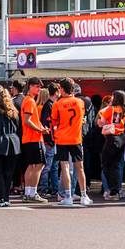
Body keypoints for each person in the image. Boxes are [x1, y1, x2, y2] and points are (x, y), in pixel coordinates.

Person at [51, 78, 90, 206]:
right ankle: (84, 195)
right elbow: (81, 119)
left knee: (65, 167)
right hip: (76, 138)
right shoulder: (80, 102)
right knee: (80, 167)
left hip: (62, 138)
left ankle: (68, 196)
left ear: (62, 89)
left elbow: (54, 122)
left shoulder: (57, 104)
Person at [17, 78, 48, 204]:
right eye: (36, 86)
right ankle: (32, 193)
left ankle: (28, 193)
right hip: (33, 138)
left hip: (29, 138)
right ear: (30, 86)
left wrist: (41, 128)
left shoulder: (29, 100)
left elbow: (31, 120)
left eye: (39, 87)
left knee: (31, 166)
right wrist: (40, 130)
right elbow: (27, 121)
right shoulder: (29, 101)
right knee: (38, 165)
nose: (39, 89)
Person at [98, 90, 125, 200]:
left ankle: (112, 190)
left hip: (112, 137)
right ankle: (116, 190)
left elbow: (101, 121)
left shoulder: (110, 109)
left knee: (106, 164)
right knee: (116, 165)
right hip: (121, 137)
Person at [38, 84, 59, 199]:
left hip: (53, 141)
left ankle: (54, 188)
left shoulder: (51, 105)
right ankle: (43, 189)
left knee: (54, 166)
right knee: (47, 166)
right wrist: (50, 140)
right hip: (50, 141)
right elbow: (48, 125)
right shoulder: (48, 106)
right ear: (55, 92)